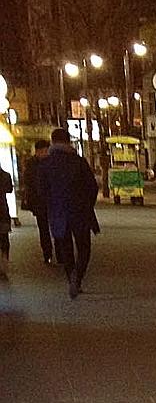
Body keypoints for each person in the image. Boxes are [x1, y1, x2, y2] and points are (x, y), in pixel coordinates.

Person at [35, 128, 99, 299]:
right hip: (80, 211)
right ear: (68, 141)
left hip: (58, 212)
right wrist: (87, 204)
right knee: (84, 247)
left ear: (53, 142)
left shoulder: (45, 164)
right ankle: (78, 277)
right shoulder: (79, 161)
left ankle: (71, 276)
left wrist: (51, 205)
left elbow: (41, 191)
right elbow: (93, 187)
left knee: (65, 249)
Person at [21, 138, 53, 264]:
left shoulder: (52, 162)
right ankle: (47, 252)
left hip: (52, 200)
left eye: (47, 151)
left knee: (57, 226)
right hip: (39, 202)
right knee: (43, 228)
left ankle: (61, 252)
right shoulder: (31, 164)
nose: (45, 153)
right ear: (37, 151)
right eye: (43, 151)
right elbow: (28, 183)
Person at [0, 163, 12, 281]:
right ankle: (4, 261)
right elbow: (9, 190)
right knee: (4, 238)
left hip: (3, 211)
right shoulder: (5, 175)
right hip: (3, 210)